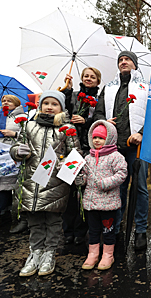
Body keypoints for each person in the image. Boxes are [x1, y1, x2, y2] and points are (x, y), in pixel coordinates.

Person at [10, 90, 81, 277]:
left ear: (61, 108)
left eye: (54, 104)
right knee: (34, 220)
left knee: (53, 220)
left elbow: (75, 154)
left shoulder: (66, 129)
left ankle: (50, 253)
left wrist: (65, 162)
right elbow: (15, 147)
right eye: (46, 103)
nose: (49, 106)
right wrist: (18, 151)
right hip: (31, 181)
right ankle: (35, 253)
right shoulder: (29, 126)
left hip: (55, 182)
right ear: (40, 106)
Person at [93, 50, 149, 250]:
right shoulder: (108, 88)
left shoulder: (145, 87)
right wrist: (102, 121)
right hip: (113, 146)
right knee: (117, 189)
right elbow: (98, 112)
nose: (124, 62)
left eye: (128, 59)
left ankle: (141, 230)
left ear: (135, 64)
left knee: (140, 188)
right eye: (121, 60)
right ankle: (115, 229)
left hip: (137, 146)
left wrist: (141, 132)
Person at [75, 120, 127, 270]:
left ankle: (108, 255)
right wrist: (80, 180)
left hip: (108, 202)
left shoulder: (115, 157)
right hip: (91, 203)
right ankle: (93, 254)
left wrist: (106, 183)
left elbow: (122, 174)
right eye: (95, 137)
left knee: (108, 230)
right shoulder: (88, 158)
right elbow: (84, 175)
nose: (97, 140)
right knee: (93, 230)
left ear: (109, 139)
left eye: (101, 138)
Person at [62, 67, 101, 246]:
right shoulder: (73, 95)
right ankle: (67, 230)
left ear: (98, 81)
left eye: (92, 77)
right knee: (69, 191)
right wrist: (66, 89)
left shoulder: (100, 100)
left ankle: (81, 230)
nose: (88, 79)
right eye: (86, 76)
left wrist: (86, 122)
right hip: (70, 149)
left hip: (88, 149)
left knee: (84, 191)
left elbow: (101, 121)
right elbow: (62, 111)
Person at [0, 95, 27, 231]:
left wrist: (14, 134)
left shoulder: (24, 118)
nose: (5, 103)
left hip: (16, 157)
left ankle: (22, 217)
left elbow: (29, 136)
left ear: (17, 104)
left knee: (18, 187)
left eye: (9, 101)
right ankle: (0, 214)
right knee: (1, 186)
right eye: (3, 101)